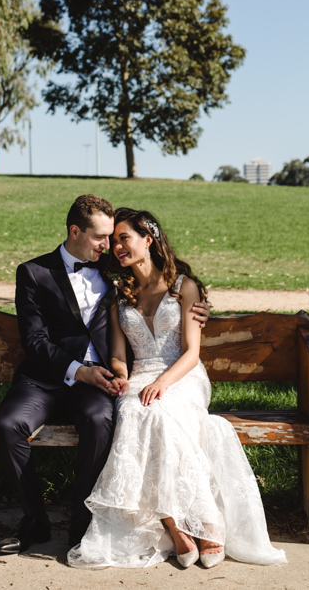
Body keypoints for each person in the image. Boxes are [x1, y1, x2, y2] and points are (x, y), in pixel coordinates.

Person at [68, 207, 287, 570]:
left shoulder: (184, 286)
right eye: (115, 241)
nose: (117, 247)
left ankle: (208, 522)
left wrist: (162, 383)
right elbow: (120, 356)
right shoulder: (119, 294)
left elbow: (191, 353)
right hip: (140, 374)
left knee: (162, 411)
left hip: (182, 374)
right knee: (134, 410)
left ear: (148, 240)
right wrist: (121, 377)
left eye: (125, 238)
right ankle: (174, 523)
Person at [0, 194, 210, 555]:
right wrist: (79, 372)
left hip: (99, 382)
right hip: (45, 380)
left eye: (112, 238)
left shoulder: (114, 271)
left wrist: (201, 309)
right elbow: (34, 340)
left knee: (100, 420)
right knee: (7, 424)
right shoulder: (33, 272)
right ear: (75, 231)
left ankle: (82, 525)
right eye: (100, 238)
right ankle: (35, 519)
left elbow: (165, 286)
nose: (108, 246)